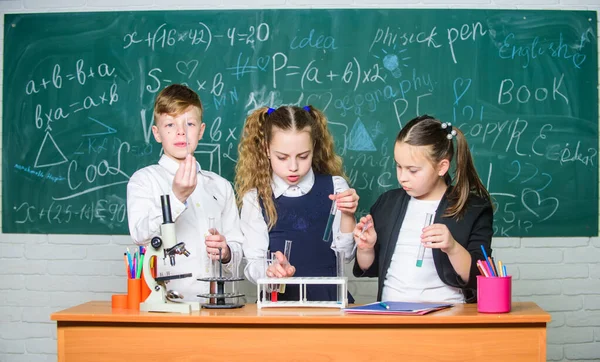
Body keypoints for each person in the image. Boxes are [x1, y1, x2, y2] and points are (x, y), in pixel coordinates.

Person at [353, 115, 493, 303]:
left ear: (442, 167)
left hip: (448, 316)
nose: (402, 177)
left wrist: (452, 247)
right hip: (391, 315)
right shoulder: (387, 203)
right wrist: (366, 248)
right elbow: (369, 267)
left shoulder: (472, 208)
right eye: (398, 166)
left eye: (413, 170)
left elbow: (480, 277)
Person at [127, 84, 243, 302]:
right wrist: (177, 197)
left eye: (189, 123)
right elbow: (139, 234)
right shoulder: (144, 180)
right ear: (157, 133)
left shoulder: (220, 186)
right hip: (167, 307)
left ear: (200, 131)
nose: (181, 131)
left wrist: (226, 252)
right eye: (170, 124)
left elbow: (238, 251)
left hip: (217, 307)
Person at [236, 105, 358, 302]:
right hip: (279, 307)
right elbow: (253, 263)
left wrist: (348, 216)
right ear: (267, 149)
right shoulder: (255, 198)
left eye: (303, 156)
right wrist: (270, 271)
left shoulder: (335, 187)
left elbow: (345, 257)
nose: (293, 167)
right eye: (282, 157)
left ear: (314, 148)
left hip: (331, 303)